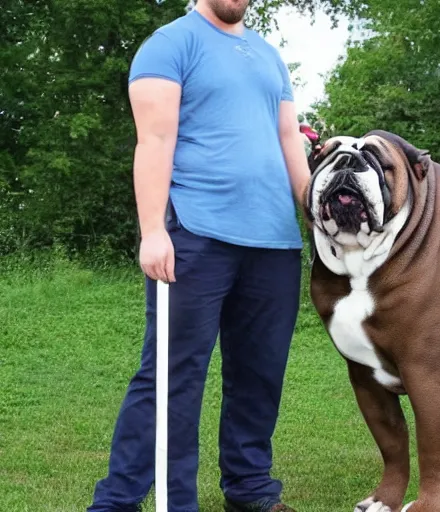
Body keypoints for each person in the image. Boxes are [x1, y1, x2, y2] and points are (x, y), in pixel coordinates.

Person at [88, 0, 311, 511]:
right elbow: (155, 138)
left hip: (274, 241)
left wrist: (316, 215)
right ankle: (119, 501)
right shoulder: (170, 45)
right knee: (171, 375)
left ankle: (251, 489)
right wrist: (152, 231)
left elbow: (288, 141)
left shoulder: (269, 56)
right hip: (194, 234)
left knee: (260, 375)